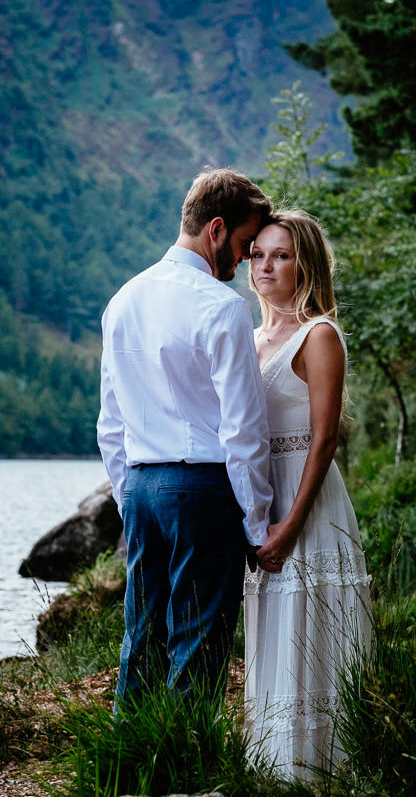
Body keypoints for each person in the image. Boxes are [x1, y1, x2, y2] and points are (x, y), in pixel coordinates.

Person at [97, 167, 276, 710]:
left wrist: (128, 498)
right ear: (216, 229)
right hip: (203, 490)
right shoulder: (222, 308)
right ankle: (186, 774)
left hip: (142, 486)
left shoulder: (123, 300)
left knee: (141, 640)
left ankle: (128, 771)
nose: (246, 260)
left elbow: (110, 424)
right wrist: (256, 523)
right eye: (246, 245)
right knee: (198, 645)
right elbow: (244, 430)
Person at [243, 209, 373, 780]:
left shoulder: (318, 335)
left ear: (306, 264)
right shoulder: (247, 338)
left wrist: (290, 525)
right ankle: (274, 767)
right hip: (262, 499)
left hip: (308, 502)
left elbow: (324, 439)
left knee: (312, 622)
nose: (266, 266)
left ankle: (323, 770)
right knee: (273, 624)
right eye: (258, 254)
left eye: (282, 255)